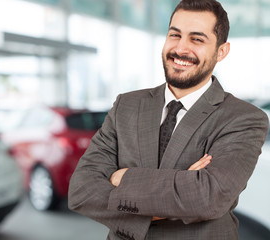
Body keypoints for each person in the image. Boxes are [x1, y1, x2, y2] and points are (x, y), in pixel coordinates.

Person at [68, 0, 269, 239]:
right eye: (175, 35)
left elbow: (208, 198)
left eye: (197, 39)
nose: (181, 48)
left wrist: (124, 177)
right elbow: (81, 191)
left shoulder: (244, 118)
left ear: (221, 51)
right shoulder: (126, 105)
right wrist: (183, 188)